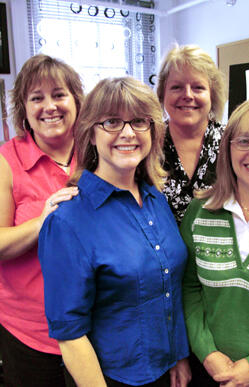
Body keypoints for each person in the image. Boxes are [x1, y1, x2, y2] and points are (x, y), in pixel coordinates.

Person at [38, 77, 192, 387]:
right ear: (91, 135)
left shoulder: (155, 198)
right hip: (111, 378)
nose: (127, 133)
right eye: (111, 122)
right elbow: (69, 333)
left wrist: (178, 354)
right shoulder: (68, 221)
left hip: (167, 370)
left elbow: (169, 287)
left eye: (138, 121)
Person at [180, 97, 249, 387]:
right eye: (243, 141)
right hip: (207, 371)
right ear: (227, 148)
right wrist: (207, 353)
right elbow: (188, 288)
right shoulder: (199, 211)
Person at [0, 54, 84, 386]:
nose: (50, 106)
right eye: (37, 98)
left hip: (93, 324)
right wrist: (43, 221)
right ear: (24, 108)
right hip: (29, 331)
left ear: (77, 100)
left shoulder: (96, 150)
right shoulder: (8, 160)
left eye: (59, 94)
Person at [156, 44, 227, 225]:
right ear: (163, 93)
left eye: (198, 88)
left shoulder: (232, 142)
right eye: (177, 87)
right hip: (160, 252)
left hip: (218, 250)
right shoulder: (147, 143)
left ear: (212, 94)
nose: (187, 95)